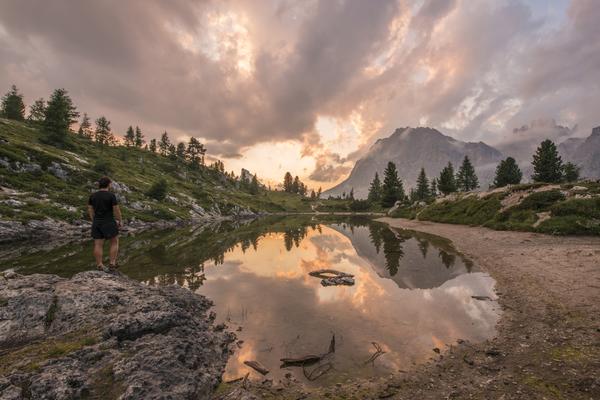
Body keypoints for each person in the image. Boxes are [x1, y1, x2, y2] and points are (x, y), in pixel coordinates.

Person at [87, 176, 122, 272]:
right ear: (109, 184)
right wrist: (120, 220)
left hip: (97, 222)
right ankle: (112, 263)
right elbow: (116, 210)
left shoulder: (93, 196)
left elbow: (90, 209)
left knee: (98, 244)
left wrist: (93, 219)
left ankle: (99, 265)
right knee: (114, 242)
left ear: (99, 185)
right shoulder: (111, 196)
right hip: (109, 222)